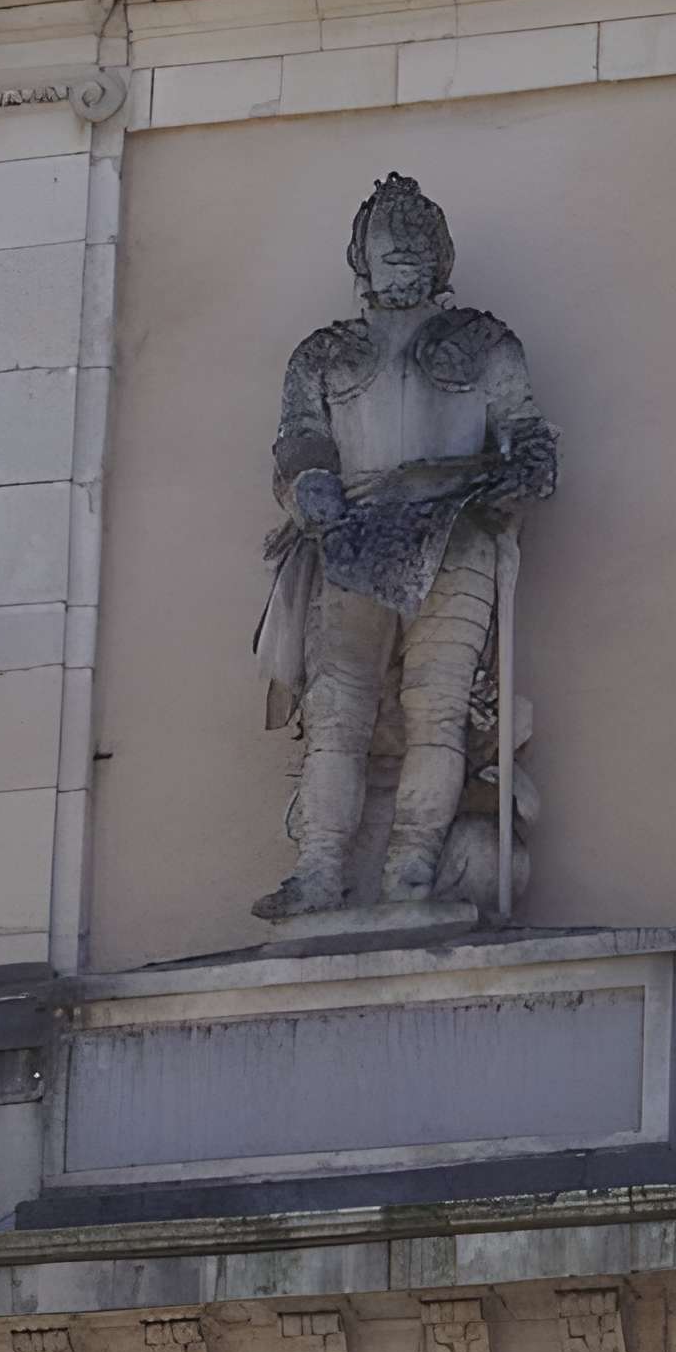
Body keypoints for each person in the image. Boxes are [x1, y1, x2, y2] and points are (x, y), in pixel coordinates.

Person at [252, 174, 557, 919]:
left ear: (440, 257)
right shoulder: (323, 354)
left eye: (419, 246)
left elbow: (532, 443)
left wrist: (507, 482)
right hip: (349, 541)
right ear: (363, 256)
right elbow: (298, 443)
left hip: (456, 538)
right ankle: (320, 869)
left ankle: (413, 872)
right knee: (336, 713)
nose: (404, 258)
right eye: (390, 246)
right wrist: (314, 494)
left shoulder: (485, 345)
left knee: (438, 711)